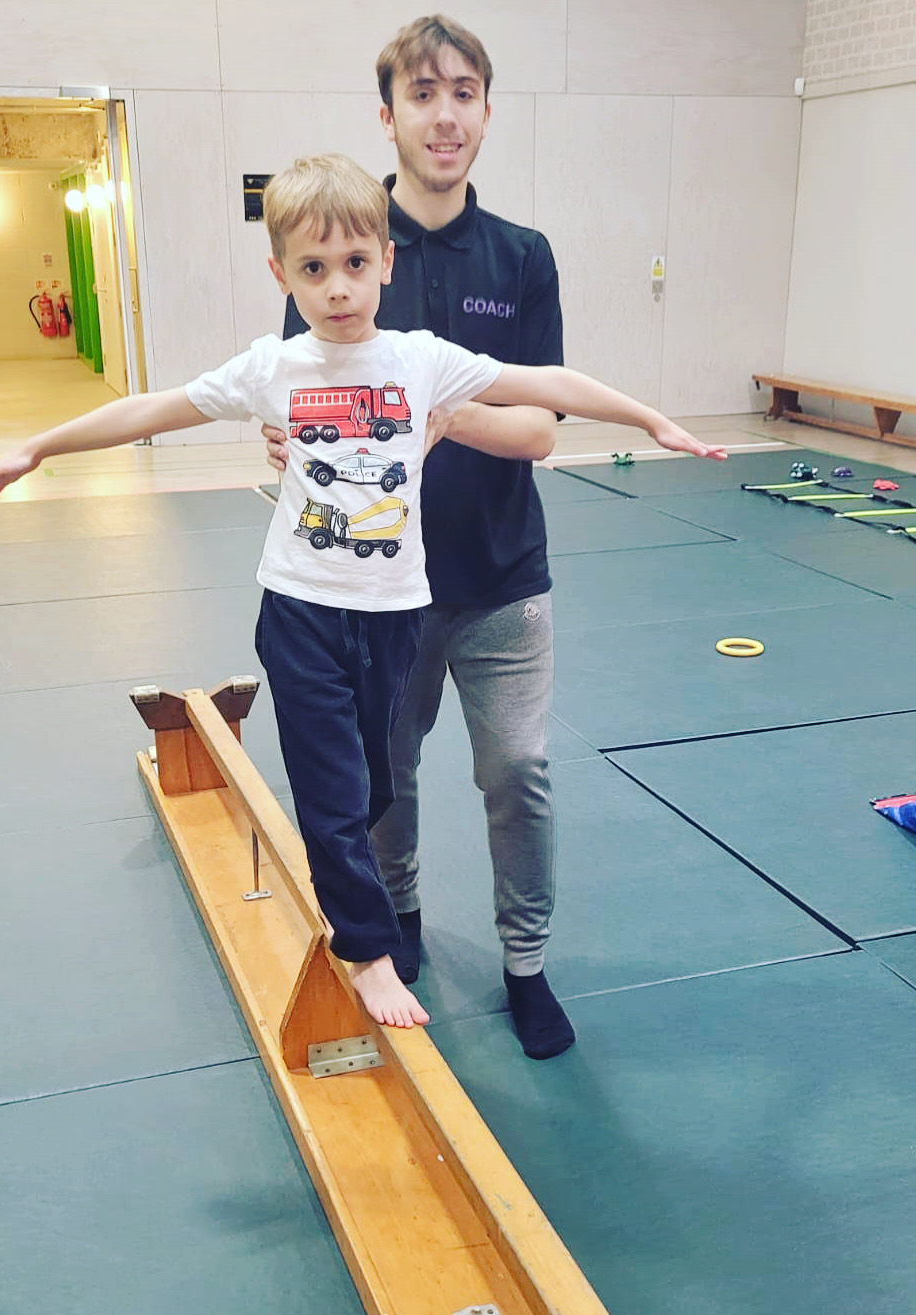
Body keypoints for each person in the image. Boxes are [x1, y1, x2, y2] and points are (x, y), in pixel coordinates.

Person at [0, 152, 724, 1037]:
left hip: (396, 615)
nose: (337, 288)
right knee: (331, 787)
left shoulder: (421, 360)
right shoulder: (272, 368)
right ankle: (365, 951)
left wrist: (649, 418)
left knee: (370, 790)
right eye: (314, 270)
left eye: (356, 265)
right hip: (301, 606)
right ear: (282, 274)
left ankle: (376, 907)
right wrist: (40, 447)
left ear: (386, 263)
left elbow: (544, 386)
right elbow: (153, 408)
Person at [267, 16, 577, 1058]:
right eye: (423, 93)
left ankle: (526, 962)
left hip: (500, 581)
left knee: (518, 771)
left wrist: (437, 416)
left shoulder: (521, 258)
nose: (445, 115)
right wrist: (295, 449)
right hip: (372, 596)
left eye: (464, 93)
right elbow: (298, 413)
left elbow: (537, 429)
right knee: (380, 779)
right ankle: (395, 922)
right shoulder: (340, 240)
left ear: (486, 109)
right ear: (389, 113)